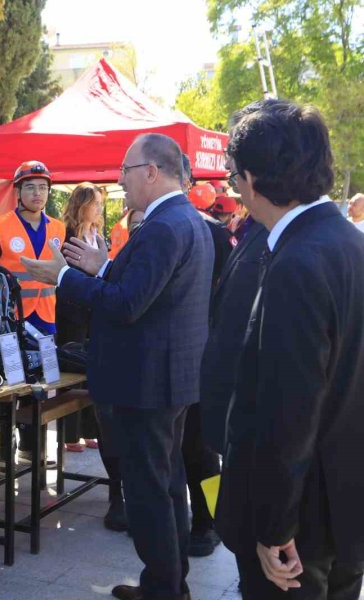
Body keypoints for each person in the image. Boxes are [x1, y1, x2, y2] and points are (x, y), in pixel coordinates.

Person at [22, 133, 213, 600]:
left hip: (147, 383)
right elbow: (150, 290)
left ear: (151, 172)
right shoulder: (183, 219)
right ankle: (169, 584)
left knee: (150, 492)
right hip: (167, 378)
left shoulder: (164, 226)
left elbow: (128, 304)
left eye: (125, 171)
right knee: (167, 484)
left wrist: (63, 276)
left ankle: (163, 588)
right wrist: (102, 267)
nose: (120, 181)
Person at [216, 98, 364, 599]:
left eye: (234, 177)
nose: (235, 189)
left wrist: (274, 528)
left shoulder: (298, 262)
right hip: (343, 509)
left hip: (302, 526)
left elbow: (289, 412)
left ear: (252, 180)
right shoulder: (350, 244)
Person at [0, 160, 66, 465]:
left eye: (43, 187)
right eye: (30, 187)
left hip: (46, 320)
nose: (37, 193)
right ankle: (3, 455)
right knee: (7, 386)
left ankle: (32, 450)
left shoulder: (59, 229)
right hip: (10, 321)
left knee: (39, 386)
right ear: (18, 192)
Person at [181, 159, 233, 557]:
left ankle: (209, 520)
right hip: (180, 357)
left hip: (203, 355)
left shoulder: (213, 234)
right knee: (187, 449)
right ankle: (193, 520)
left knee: (201, 450)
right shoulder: (152, 227)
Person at [57, 182, 104, 453]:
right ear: (82, 204)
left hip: (93, 311)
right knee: (71, 370)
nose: (99, 208)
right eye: (94, 203)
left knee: (91, 370)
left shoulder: (97, 234)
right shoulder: (67, 234)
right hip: (71, 312)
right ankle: (69, 435)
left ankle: (89, 429)